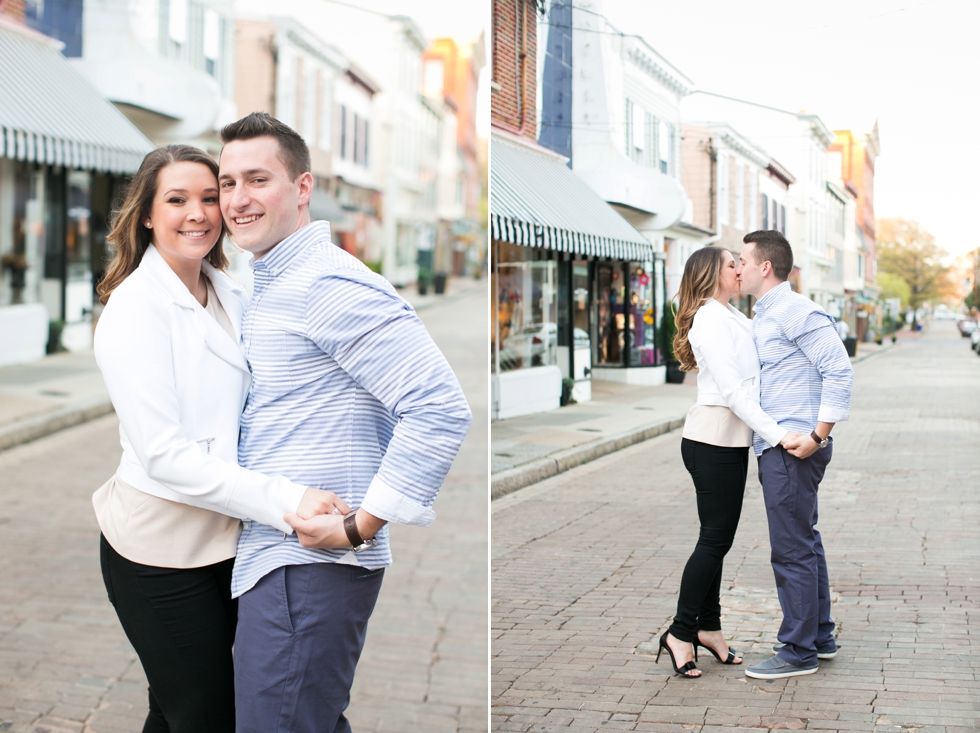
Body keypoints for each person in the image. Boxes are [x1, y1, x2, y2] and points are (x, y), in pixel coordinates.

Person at [216, 113, 472, 732]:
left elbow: (438, 405)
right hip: (278, 558)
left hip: (306, 564)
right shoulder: (269, 282)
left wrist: (359, 527)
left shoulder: (324, 282)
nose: (238, 199)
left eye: (257, 179)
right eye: (227, 183)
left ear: (303, 188)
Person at [93, 144, 347, 732]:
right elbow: (164, 455)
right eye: (177, 200)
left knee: (182, 711)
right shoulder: (136, 309)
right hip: (157, 553)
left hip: (227, 547)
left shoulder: (232, 292)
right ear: (147, 214)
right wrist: (285, 499)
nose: (200, 213)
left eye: (211, 197)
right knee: (205, 715)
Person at [658, 246, 801, 677]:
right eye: (732, 264)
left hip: (730, 442)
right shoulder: (709, 319)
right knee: (715, 541)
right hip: (713, 439)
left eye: (741, 262)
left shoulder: (733, 315)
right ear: (711, 274)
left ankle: (709, 629)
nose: (740, 269)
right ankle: (681, 632)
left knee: (716, 539)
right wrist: (778, 434)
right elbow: (736, 392)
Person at [736, 230, 854, 680]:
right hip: (783, 445)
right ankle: (818, 637)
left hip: (792, 448)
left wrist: (818, 436)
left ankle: (798, 650)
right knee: (804, 540)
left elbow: (838, 370)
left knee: (790, 548)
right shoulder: (766, 313)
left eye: (743, 260)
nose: (739, 267)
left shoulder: (793, 310)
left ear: (765, 267)